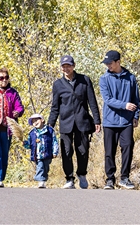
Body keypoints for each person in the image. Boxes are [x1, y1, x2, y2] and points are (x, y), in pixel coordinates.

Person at [48, 55, 101, 189]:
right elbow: (55, 106)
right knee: (66, 151)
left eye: (69, 66)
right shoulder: (58, 84)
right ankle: (69, 178)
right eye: (64, 66)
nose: (66, 68)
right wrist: (50, 125)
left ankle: (82, 174)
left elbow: (92, 102)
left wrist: (97, 120)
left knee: (83, 150)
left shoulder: (84, 80)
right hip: (65, 122)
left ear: (74, 66)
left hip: (82, 121)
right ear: (61, 67)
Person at [98, 50, 140, 190]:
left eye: (110, 63)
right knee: (109, 151)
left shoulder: (131, 78)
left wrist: (136, 115)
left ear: (118, 62)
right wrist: (125, 105)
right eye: (106, 63)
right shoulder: (104, 79)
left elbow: (136, 99)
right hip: (110, 121)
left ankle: (124, 178)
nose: (108, 66)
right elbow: (108, 100)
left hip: (127, 121)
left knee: (128, 147)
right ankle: (110, 179)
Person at [23, 113, 59, 188]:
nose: (35, 122)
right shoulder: (32, 133)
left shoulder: (49, 131)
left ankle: (43, 179)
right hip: (37, 155)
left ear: (42, 120)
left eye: (36, 120)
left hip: (47, 153)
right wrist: (25, 143)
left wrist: (55, 152)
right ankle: (40, 181)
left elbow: (54, 141)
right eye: (33, 122)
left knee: (46, 168)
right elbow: (29, 145)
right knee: (40, 166)